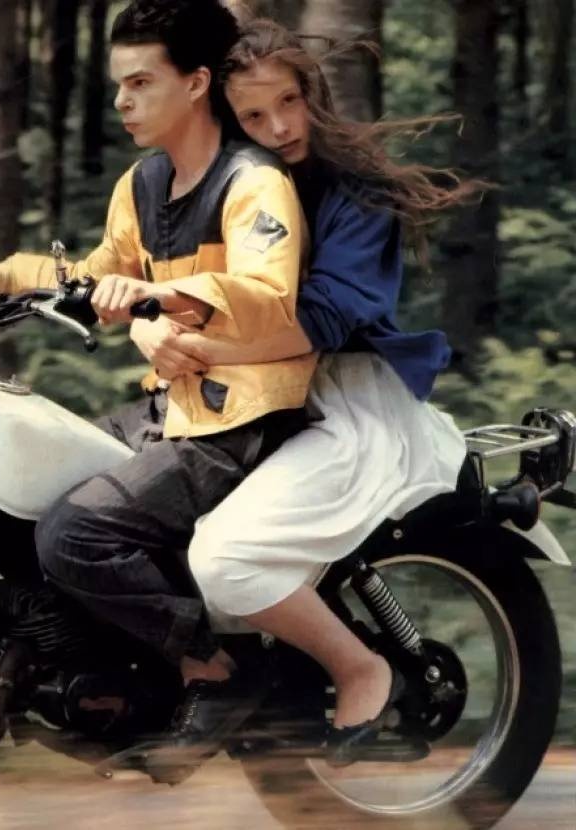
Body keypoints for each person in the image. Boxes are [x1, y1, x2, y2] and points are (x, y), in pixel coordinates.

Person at [0, 0, 314, 712]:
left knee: (73, 532)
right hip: (172, 407)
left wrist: (156, 294)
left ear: (196, 83)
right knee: (18, 489)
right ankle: (96, 672)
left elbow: (269, 294)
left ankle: (212, 670)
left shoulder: (253, 181)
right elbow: (92, 275)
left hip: (242, 418)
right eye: (119, 85)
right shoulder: (142, 185)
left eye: (140, 82)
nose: (121, 100)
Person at [141, 17, 477, 769]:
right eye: (255, 115)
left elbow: (319, 321)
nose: (280, 127)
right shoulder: (229, 186)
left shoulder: (355, 193)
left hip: (347, 404)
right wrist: (146, 325)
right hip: (244, 399)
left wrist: (205, 346)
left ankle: (361, 669)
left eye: (289, 102)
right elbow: (157, 280)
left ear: (313, 93)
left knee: (225, 558)